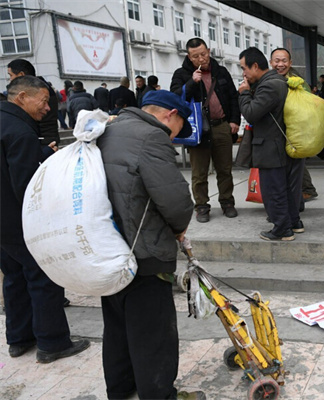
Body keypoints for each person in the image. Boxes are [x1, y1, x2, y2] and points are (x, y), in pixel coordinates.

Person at [96, 90, 201, 399]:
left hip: (108, 247)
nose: (177, 135)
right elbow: (176, 201)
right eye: (181, 125)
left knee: (117, 328)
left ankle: (121, 389)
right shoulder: (151, 137)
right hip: (143, 252)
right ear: (171, 115)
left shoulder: (109, 129)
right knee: (153, 334)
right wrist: (180, 229)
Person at [1, 75, 90, 363]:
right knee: (43, 277)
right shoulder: (20, 132)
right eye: (43, 101)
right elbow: (27, 188)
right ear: (22, 97)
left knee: (14, 278)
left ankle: (19, 338)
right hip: (18, 223)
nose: (48, 108)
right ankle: (52, 343)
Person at [170, 37, 241, 223]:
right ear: (189, 56)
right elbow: (175, 97)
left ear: (208, 51)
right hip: (198, 130)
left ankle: (227, 202)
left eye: (203, 54)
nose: (201, 59)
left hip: (222, 126)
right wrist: (191, 82)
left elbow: (233, 97)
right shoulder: (181, 74)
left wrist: (234, 120)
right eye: (196, 56)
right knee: (199, 172)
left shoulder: (221, 71)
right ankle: (201, 206)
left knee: (225, 169)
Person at [238, 47, 304, 241]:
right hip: (280, 145)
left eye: (244, 68)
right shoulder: (279, 81)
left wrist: (244, 93)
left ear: (255, 66)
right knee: (284, 188)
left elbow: (251, 113)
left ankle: (282, 229)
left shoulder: (269, 85)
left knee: (273, 190)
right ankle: (292, 222)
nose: (244, 73)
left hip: (270, 146)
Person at [269, 47, 318, 204]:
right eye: (277, 61)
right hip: (275, 131)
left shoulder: (298, 81)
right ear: (271, 62)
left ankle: (302, 196)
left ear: (290, 62)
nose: (280, 64)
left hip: (295, 131)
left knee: (296, 164)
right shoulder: (268, 79)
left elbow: (308, 104)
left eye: (284, 61)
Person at [7, 59, 60, 146]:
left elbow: (47, 124)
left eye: (11, 75)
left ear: (21, 75)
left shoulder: (41, 92)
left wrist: (46, 149)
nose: (10, 79)